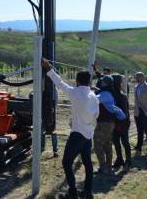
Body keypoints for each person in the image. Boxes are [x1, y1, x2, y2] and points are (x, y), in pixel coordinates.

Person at [42, 58, 99, 199]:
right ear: (89, 82)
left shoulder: (75, 93)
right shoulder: (94, 96)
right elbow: (96, 116)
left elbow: (60, 83)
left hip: (77, 135)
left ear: (78, 81)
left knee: (66, 162)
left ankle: (73, 193)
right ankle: (88, 192)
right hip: (87, 135)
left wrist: (48, 68)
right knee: (87, 164)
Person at [93, 76, 126, 175]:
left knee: (97, 144)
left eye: (102, 81)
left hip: (104, 123)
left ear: (106, 83)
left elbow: (94, 100)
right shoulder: (108, 92)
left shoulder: (104, 94)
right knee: (107, 144)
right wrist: (96, 90)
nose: (101, 82)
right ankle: (108, 166)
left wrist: (89, 91)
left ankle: (103, 167)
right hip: (109, 123)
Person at [112, 74, 132, 170]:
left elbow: (124, 112)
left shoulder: (121, 95)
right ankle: (119, 159)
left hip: (122, 122)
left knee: (125, 142)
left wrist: (120, 123)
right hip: (115, 122)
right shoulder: (113, 94)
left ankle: (128, 161)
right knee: (116, 142)